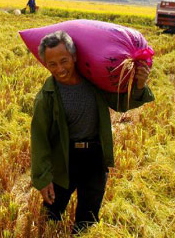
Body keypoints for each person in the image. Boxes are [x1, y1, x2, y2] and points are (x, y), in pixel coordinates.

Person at [30, 30, 154, 234]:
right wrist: (43, 179)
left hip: (94, 158)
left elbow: (121, 103)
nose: (60, 69)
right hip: (64, 160)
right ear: (46, 65)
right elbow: (39, 139)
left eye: (64, 61)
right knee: (51, 216)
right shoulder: (46, 97)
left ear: (74, 57)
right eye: (52, 64)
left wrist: (139, 86)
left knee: (88, 219)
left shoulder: (95, 84)